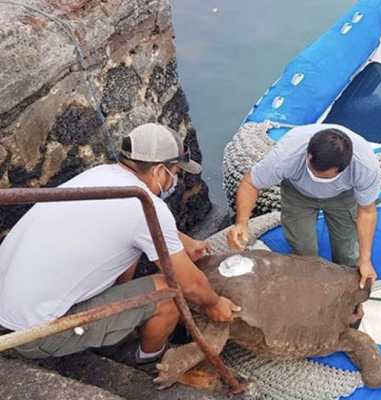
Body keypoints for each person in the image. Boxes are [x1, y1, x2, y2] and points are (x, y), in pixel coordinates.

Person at [0, 123, 238, 366]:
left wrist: (182, 241)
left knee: (131, 251)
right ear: (158, 171)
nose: (175, 180)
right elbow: (191, 286)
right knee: (169, 293)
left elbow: (132, 225)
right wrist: (215, 304)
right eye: (175, 172)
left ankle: (122, 323)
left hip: (9, 306)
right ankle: (146, 360)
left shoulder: (100, 175)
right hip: (32, 333)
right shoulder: (146, 206)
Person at [227, 124, 381, 289]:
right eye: (313, 170)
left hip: (342, 196)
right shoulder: (286, 156)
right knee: (303, 249)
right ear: (308, 155)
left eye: (323, 176)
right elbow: (250, 183)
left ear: (343, 169)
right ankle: (311, 285)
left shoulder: (365, 166)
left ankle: (347, 287)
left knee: (347, 249)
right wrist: (242, 223)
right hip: (298, 193)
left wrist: (365, 260)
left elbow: (367, 211)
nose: (316, 177)